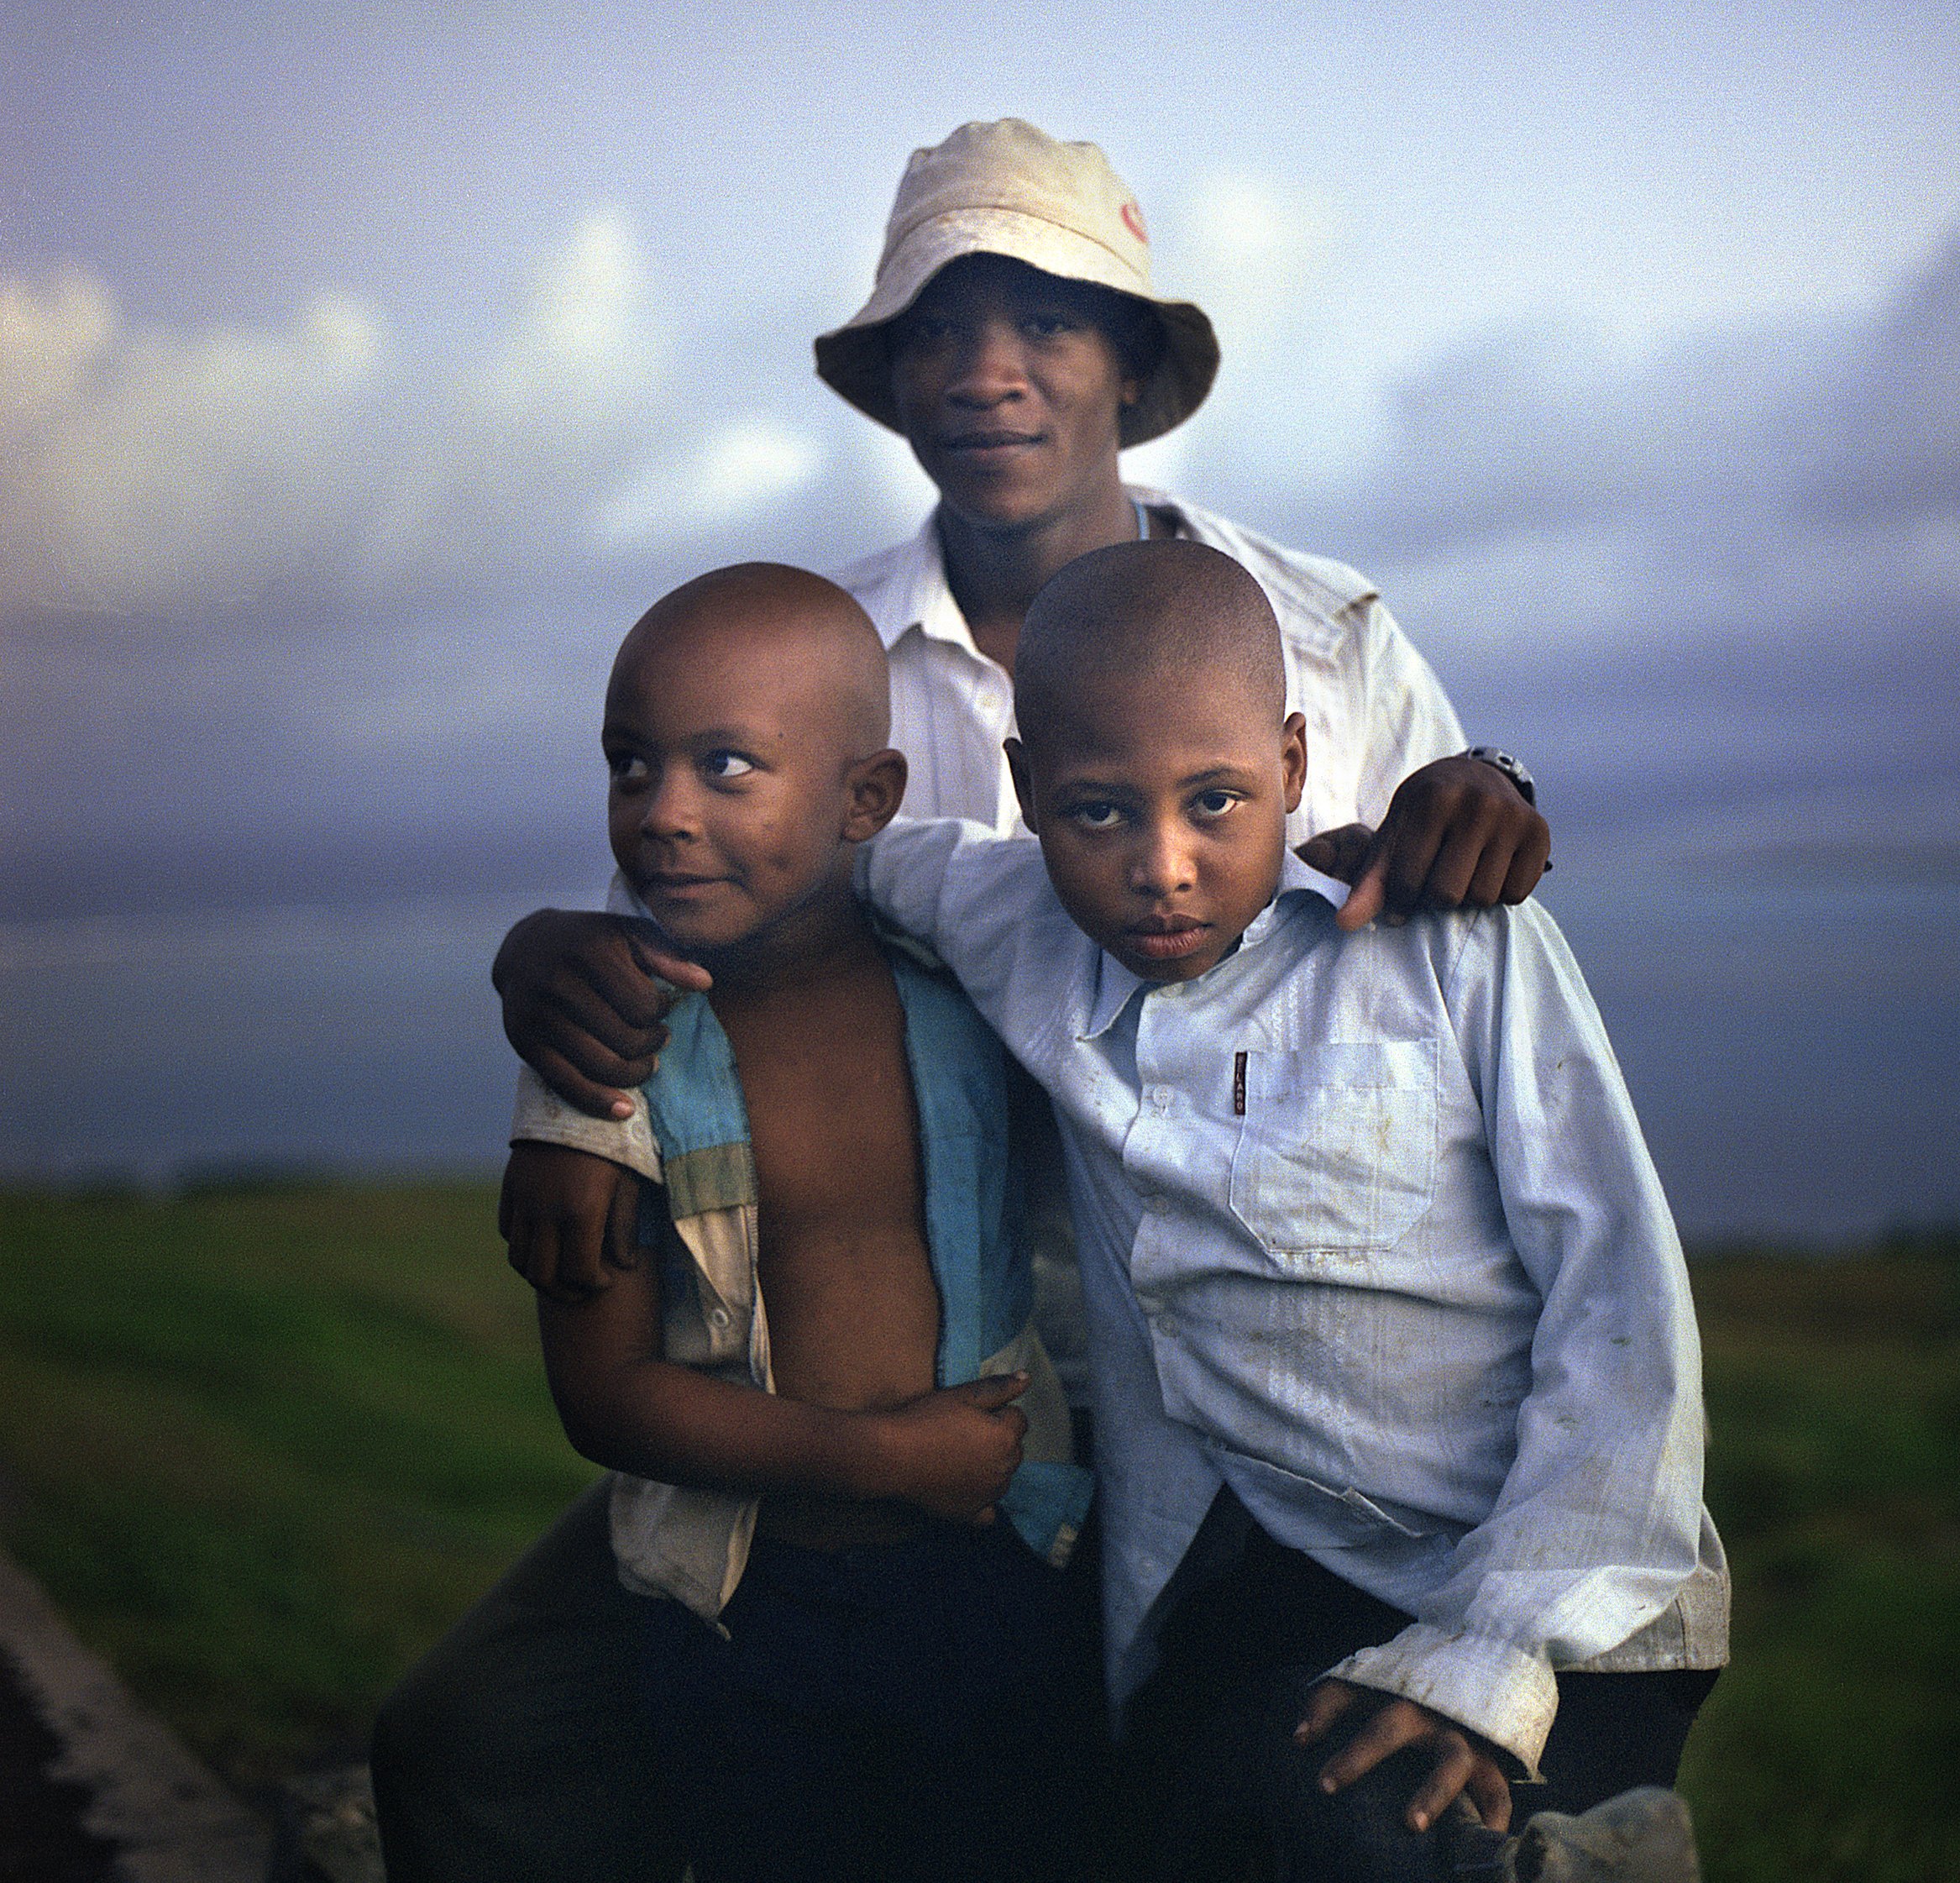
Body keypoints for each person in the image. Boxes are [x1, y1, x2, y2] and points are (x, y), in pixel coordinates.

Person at [374, 119, 1551, 1883]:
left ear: (1133, 366)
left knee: (1189, 1794)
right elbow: (667, 940)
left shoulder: (1322, 633)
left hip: (1241, 1367)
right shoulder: (810, 650)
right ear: (891, 377)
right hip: (866, 1361)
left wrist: (1484, 803)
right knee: (472, 1737)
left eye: (1048, 319)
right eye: (934, 326)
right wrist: (540, 956)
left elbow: (1440, 953)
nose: (984, 370)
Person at [855, 539, 1729, 1881]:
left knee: (1349, 1804)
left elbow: (1619, 1311)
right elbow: (806, 853)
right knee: (1151, 1811)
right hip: (1281, 1564)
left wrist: (1488, 1654)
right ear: (1025, 790)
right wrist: (574, 943)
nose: (1163, 866)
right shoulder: (1007, 916)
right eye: (1096, 811)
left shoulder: (1451, 947)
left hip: (1560, 1577)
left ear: (1297, 761)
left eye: (1217, 800)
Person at [511, 563, 1093, 1883]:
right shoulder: (606, 1057)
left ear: (866, 801)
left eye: (727, 767)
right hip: (741, 1618)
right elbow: (602, 1401)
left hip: (1003, 1565)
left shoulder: (970, 994)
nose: (659, 814)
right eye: (629, 765)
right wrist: (886, 1459)